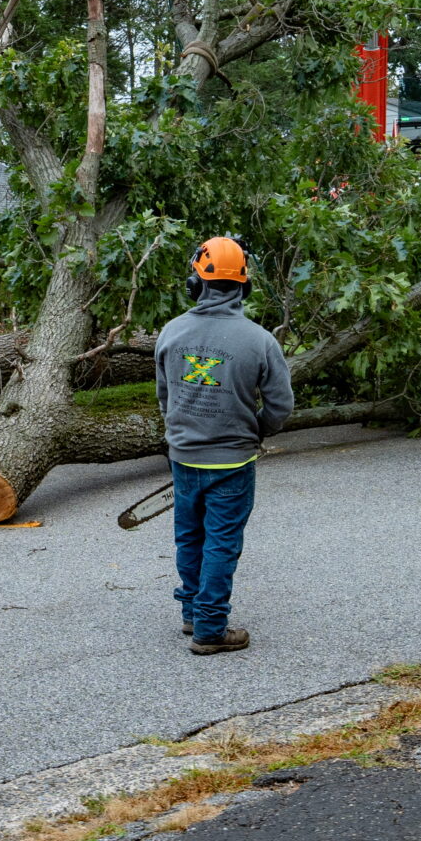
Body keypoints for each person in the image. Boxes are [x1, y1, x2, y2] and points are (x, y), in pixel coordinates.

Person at [154, 236, 293, 655]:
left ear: (194, 283)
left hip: (183, 456)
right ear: (244, 287)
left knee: (189, 536)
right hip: (232, 459)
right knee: (221, 541)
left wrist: (180, 431)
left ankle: (193, 612)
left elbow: (165, 397)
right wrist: (259, 429)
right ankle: (211, 628)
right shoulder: (260, 340)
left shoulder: (171, 332)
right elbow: (281, 405)